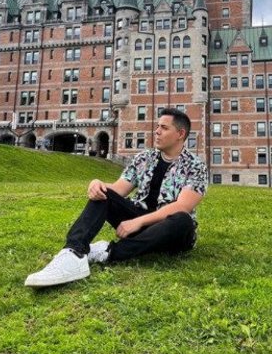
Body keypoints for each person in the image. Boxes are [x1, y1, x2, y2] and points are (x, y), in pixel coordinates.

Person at [25, 108, 208, 288]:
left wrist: (138, 222)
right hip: (139, 222)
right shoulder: (144, 158)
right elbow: (118, 189)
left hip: (171, 233)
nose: (157, 131)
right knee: (104, 194)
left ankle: (108, 252)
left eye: (164, 128)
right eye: (157, 126)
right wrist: (97, 184)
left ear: (180, 133)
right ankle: (74, 252)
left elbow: (182, 206)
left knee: (183, 220)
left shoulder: (195, 166)